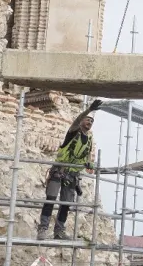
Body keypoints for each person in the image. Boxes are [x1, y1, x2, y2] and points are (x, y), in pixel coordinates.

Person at [37, 99, 103, 240]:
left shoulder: (89, 140)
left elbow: (84, 158)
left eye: (92, 121)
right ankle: (43, 229)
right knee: (51, 199)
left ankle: (59, 231)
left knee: (66, 204)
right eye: (87, 119)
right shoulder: (73, 132)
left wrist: (88, 164)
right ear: (81, 121)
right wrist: (89, 109)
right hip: (59, 171)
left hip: (72, 175)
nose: (89, 122)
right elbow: (77, 120)